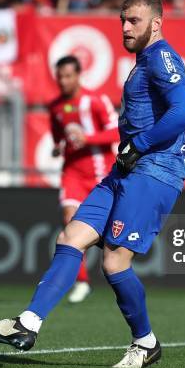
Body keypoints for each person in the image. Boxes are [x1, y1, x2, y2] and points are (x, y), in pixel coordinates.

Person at [0, 0, 185, 368]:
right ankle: (26, 324)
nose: (125, 27)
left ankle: (145, 342)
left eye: (134, 21)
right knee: (71, 237)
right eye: (122, 20)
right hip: (126, 169)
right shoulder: (143, 60)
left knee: (114, 262)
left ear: (156, 23)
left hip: (155, 171)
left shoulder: (161, 57)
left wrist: (138, 143)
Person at [48, 54, 118, 303]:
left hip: (101, 173)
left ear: (78, 75)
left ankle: (116, 274)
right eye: (60, 76)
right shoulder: (55, 106)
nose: (63, 81)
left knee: (109, 232)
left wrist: (87, 139)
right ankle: (81, 281)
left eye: (68, 76)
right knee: (70, 221)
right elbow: (58, 137)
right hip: (73, 173)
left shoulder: (96, 101)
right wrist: (58, 148)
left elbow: (116, 130)